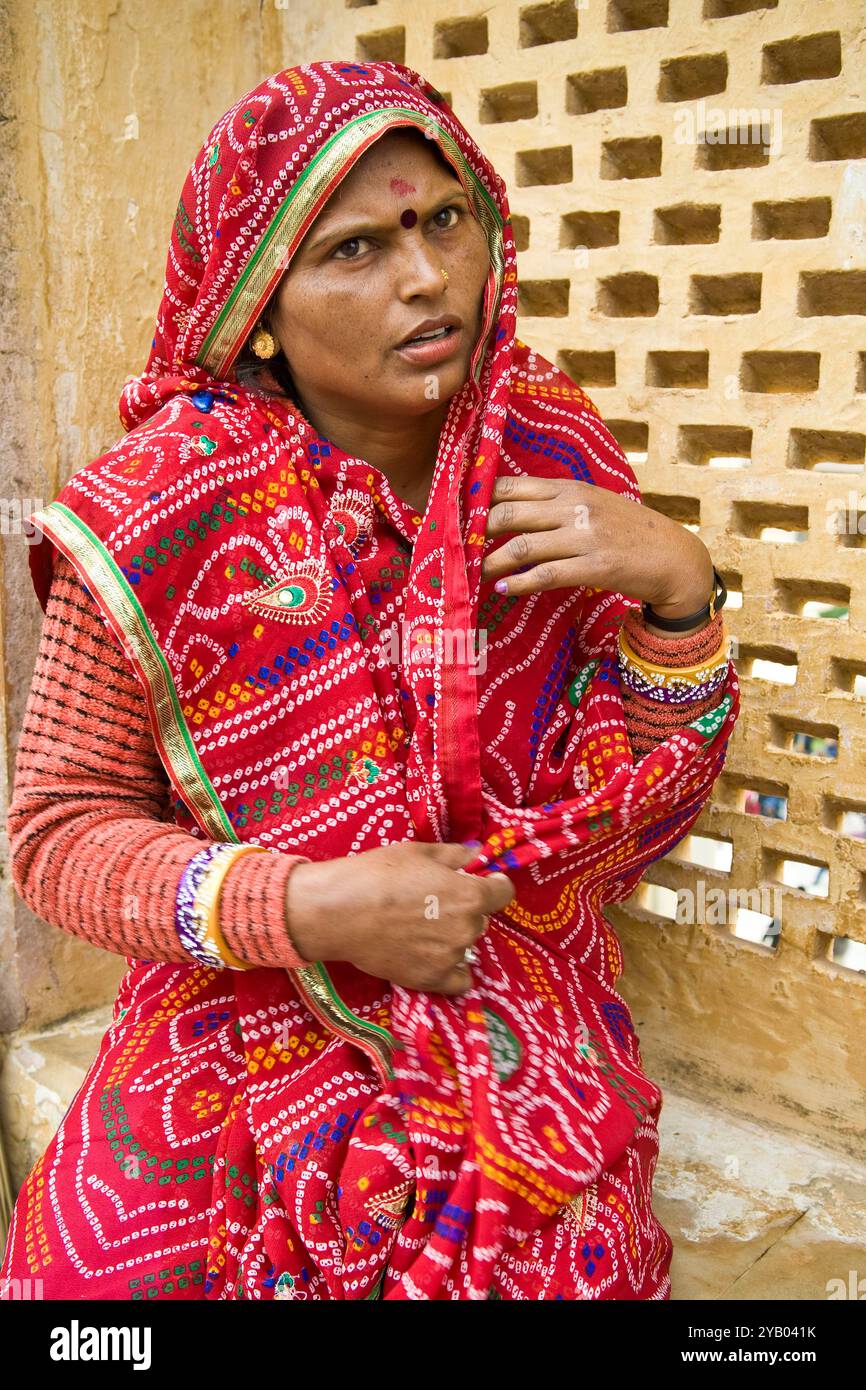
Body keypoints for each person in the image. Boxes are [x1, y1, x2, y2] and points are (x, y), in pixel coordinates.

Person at [0, 60, 739, 1300]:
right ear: (254, 302)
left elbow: (629, 826)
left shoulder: (546, 449)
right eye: (351, 249)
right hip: (237, 996)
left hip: (504, 976)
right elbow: (56, 835)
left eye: (441, 219)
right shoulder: (160, 514)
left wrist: (678, 587)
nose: (423, 277)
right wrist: (307, 906)